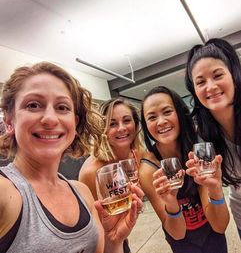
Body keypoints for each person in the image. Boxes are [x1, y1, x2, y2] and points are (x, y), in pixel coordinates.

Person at [0, 62, 143, 253]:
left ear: (74, 124)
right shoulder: (5, 192)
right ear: (9, 121)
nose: (50, 118)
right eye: (33, 105)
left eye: (62, 107)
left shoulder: (82, 192)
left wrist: (114, 240)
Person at [139, 85, 229, 253]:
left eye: (167, 112)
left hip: (211, 234)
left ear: (180, 113)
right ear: (145, 124)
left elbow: (220, 226)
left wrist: (215, 188)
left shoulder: (199, 151)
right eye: (152, 117)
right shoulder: (148, 169)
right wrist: (171, 203)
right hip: (183, 244)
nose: (161, 121)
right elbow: (177, 234)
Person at [185, 38, 241, 239]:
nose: (210, 86)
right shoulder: (201, 137)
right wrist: (214, 187)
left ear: (233, 76)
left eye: (218, 75)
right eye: (200, 82)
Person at [79, 97, 144, 253]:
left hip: (122, 234)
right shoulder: (92, 172)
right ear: (103, 129)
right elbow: (96, 232)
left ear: (135, 124)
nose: (121, 128)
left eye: (127, 120)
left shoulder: (137, 156)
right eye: (112, 123)